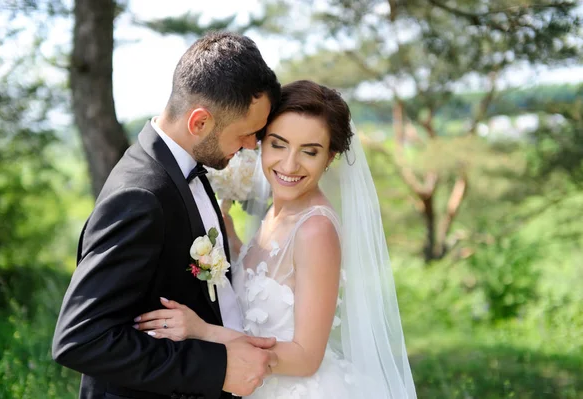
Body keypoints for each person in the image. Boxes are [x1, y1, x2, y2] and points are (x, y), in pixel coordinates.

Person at [134, 80, 418, 398]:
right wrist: (229, 238)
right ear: (260, 142)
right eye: (278, 144)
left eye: (309, 151)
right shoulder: (277, 210)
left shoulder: (316, 230)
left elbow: (306, 358)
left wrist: (202, 331)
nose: (289, 164)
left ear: (330, 157)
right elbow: (271, 275)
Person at [52, 31, 281, 399]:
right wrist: (215, 368)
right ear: (200, 123)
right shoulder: (140, 195)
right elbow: (81, 338)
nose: (252, 146)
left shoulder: (185, 168)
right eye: (245, 134)